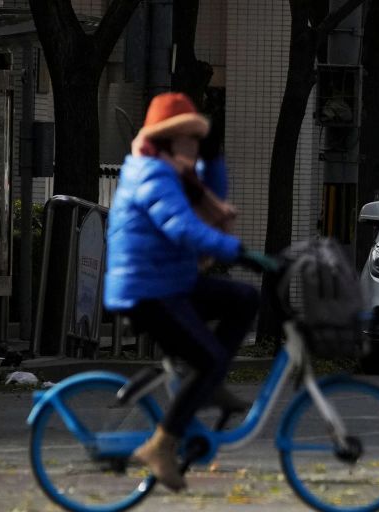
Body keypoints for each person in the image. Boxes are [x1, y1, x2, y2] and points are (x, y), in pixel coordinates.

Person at [103, 92, 275, 491]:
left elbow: (211, 197)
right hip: (147, 290)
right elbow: (180, 225)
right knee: (211, 356)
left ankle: (208, 383)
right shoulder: (151, 173)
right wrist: (239, 252)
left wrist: (213, 159)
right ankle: (161, 445)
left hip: (173, 282)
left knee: (244, 299)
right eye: (191, 139)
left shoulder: (180, 173)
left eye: (200, 139)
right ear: (169, 139)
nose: (196, 145)